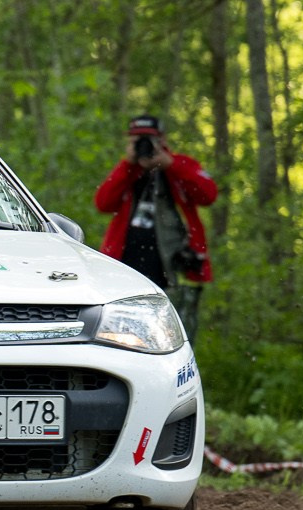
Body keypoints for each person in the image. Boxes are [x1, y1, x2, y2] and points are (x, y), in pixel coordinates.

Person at [93, 115, 219, 342]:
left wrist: (169, 164)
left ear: (162, 141)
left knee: (171, 335)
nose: (144, 145)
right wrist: (128, 165)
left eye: (148, 140)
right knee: (121, 331)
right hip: (125, 265)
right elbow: (103, 203)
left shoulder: (180, 165)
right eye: (137, 140)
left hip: (172, 266)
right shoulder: (127, 171)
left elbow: (208, 194)